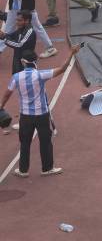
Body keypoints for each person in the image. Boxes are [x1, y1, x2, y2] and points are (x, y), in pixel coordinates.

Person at [0, 44, 80, 177]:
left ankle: (23, 170)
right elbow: (62, 69)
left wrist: (1, 105)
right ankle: (47, 168)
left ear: (23, 62)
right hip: (42, 114)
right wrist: (71, 53)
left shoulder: (16, 77)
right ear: (35, 61)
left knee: (24, 143)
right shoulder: (40, 75)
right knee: (45, 141)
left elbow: (7, 93)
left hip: (25, 116)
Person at [3, 11, 36, 75]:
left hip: (25, 64)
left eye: (19, 20)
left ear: (27, 21)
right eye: (16, 20)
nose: (17, 22)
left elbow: (19, 45)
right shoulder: (20, 29)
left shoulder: (30, 32)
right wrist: (3, 35)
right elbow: (11, 36)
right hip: (17, 62)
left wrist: (5, 39)